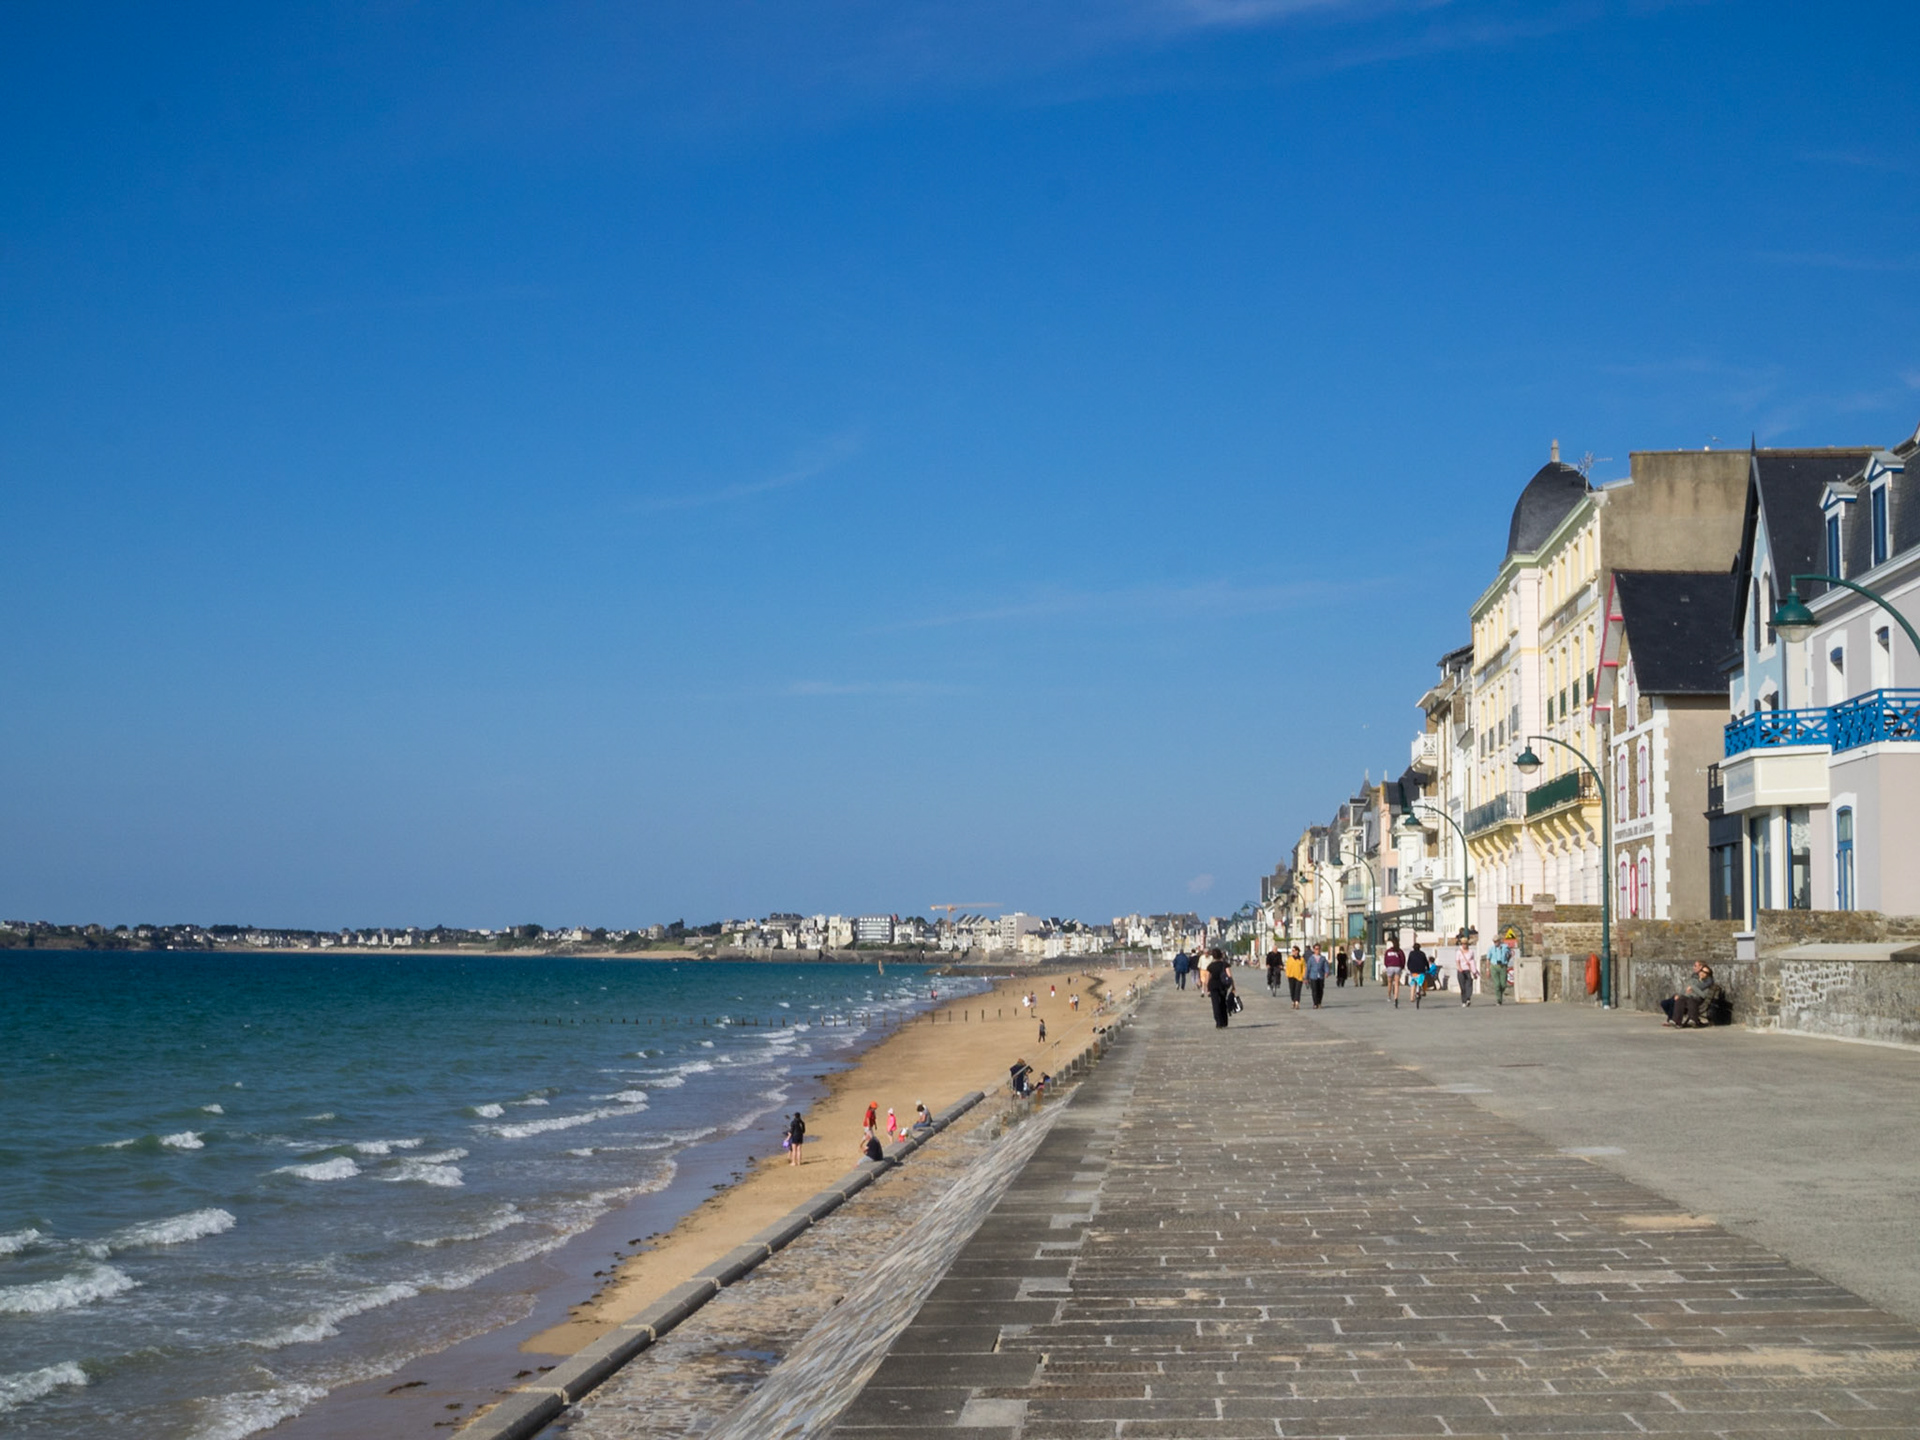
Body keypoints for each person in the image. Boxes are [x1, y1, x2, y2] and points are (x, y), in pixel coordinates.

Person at [1202, 948, 1235, 1028]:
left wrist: (1206, 988)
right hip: (1223, 986)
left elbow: (1207, 979)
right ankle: (1224, 1021)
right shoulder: (1225, 964)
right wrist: (1233, 986)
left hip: (1213, 986)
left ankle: (1218, 1022)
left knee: (1215, 1004)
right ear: (1221, 955)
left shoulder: (1210, 966)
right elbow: (1229, 976)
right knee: (1223, 1003)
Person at [1487, 930, 1514, 1004]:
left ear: (1499, 941)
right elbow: (1488, 959)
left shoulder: (1505, 947)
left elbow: (1510, 953)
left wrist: (1507, 961)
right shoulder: (1491, 949)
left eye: (1496, 941)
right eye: (1494, 941)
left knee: (1503, 984)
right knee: (1497, 984)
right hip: (1494, 966)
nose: (1495, 943)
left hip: (1503, 966)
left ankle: (1500, 994)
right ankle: (1498, 999)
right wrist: (1488, 969)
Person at [1405, 940, 1432, 1008]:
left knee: (1413, 983)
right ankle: (1423, 990)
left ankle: (1411, 997)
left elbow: (1408, 962)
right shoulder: (1422, 954)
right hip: (1421, 971)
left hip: (1413, 971)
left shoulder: (1411, 953)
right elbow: (1426, 962)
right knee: (1422, 981)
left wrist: (1409, 968)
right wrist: (1428, 968)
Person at [1454, 935, 1478, 1006]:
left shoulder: (1471, 952)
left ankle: (1468, 998)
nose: (1464, 945)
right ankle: (1463, 1001)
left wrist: (1474, 971)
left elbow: (1472, 961)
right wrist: (1459, 968)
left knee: (1469, 985)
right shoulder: (1458, 952)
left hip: (1468, 970)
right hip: (1461, 971)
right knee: (1462, 986)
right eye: (1463, 944)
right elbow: (1457, 961)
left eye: (1465, 944)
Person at [1382, 936, 1406, 1007]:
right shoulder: (1400, 951)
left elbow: (1385, 960)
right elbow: (1403, 959)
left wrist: (1387, 966)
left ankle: (1389, 996)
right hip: (1398, 967)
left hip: (1390, 967)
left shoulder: (1388, 951)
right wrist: (1402, 967)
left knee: (1389, 982)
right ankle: (1396, 998)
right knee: (1396, 984)